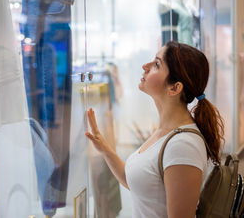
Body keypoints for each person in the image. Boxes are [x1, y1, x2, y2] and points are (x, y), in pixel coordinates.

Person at [86, 41, 224, 218]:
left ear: (175, 88)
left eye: (157, 64)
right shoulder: (165, 133)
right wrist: (104, 148)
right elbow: (138, 183)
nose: (146, 66)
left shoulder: (183, 145)